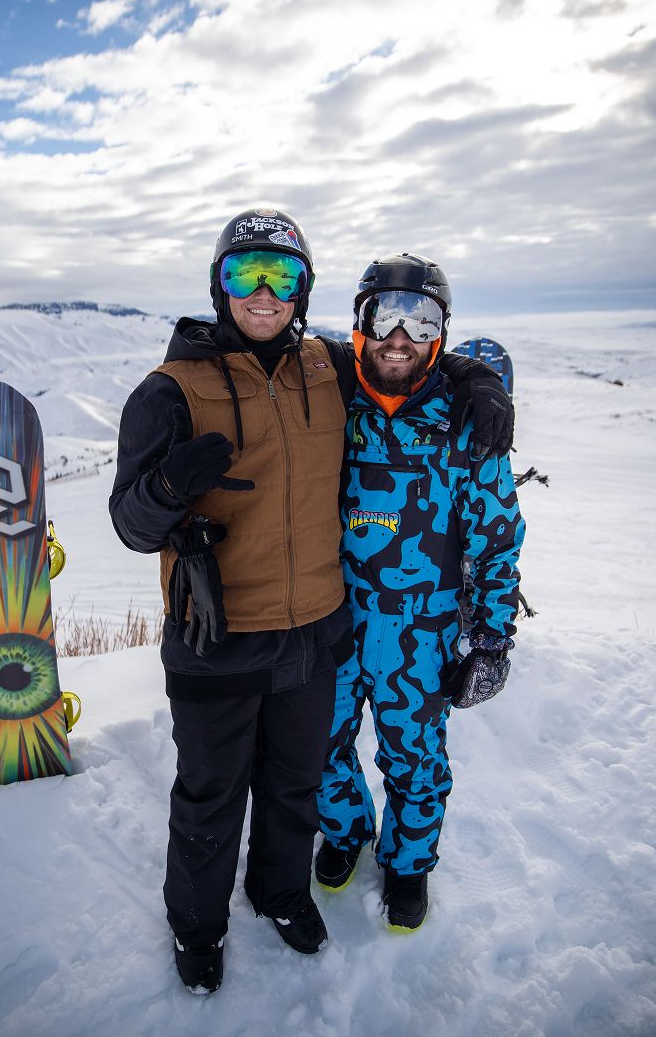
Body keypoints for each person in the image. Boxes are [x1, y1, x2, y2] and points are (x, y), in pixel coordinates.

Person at [109, 210, 515, 994]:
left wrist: (479, 377)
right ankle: (205, 924)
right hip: (223, 632)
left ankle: (320, 883)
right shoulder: (180, 391)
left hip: (343, 630)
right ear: (219, 284)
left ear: (306, 292)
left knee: (336, 771)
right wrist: (167, 488)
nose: (265, 293)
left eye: (283, 277)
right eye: (245, 275)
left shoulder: (334, 372)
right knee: (230, 787)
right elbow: (130, 522)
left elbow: (424, 369)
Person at [315, 253, 525, 933]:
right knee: (320, 743)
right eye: (384, 316)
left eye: (421, 318)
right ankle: (345, 830)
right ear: (359, 323)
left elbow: (497, 538)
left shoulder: (469, 419)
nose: (399, 337)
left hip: (423, 631)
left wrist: (491, 639)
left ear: (440, 331)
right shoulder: (329, 402)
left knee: (415, 757)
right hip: (332, 619)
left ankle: (408, 865)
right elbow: (263, 345)